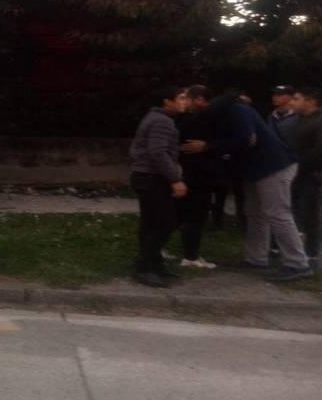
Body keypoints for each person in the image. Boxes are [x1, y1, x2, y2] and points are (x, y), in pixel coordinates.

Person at [183, 93, 313, 281]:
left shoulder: (238, 111)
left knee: (278, 213)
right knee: (255, 213)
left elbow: (247, 140)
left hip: (273, 166)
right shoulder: (223, 114)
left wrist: (208, 146)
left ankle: (298, 263)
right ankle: (257, 259)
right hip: (256, 169)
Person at [129, 86, 189, 288]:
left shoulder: (156, 118)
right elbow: (157, 153)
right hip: (152, 178)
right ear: (167, 101)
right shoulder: (162, 121)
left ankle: (154, 264)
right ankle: (143, 266)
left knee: (151, 222)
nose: (184, 102)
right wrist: (175, 179)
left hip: (146, 176)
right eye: (180, 97)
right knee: (166, 222)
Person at [177, 85, 226, 269]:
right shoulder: (199, 118)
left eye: (186, 98)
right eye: (183, 98)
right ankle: (191, 257)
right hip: (199, 175)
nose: (184, 102)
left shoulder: (190, 118)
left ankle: (179, 252)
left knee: (185, 215)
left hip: (192, 173)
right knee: (195, 217)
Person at [291, 88, 322, 271]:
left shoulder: (319, 121)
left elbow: (319, 152)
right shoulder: (299, 120)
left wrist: (297, 163)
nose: (293, 102)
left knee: (309, 214)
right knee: (295, 214)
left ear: (310, 101)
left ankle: (311, 255)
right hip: (295, 173)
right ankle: (296, 253)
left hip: (311, 174)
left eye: (297, 98)